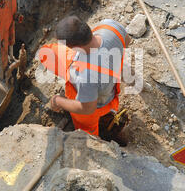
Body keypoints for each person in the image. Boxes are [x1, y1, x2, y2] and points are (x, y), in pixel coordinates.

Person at [38, 15, 131, 144]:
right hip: (110, 89)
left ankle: (94, 140)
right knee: (47, 52)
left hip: (97, 107)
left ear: (74, 48)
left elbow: (87, 108)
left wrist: (58, 100)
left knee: (87, 132)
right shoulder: (109, 27)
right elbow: (127, 40)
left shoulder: (85, 76)